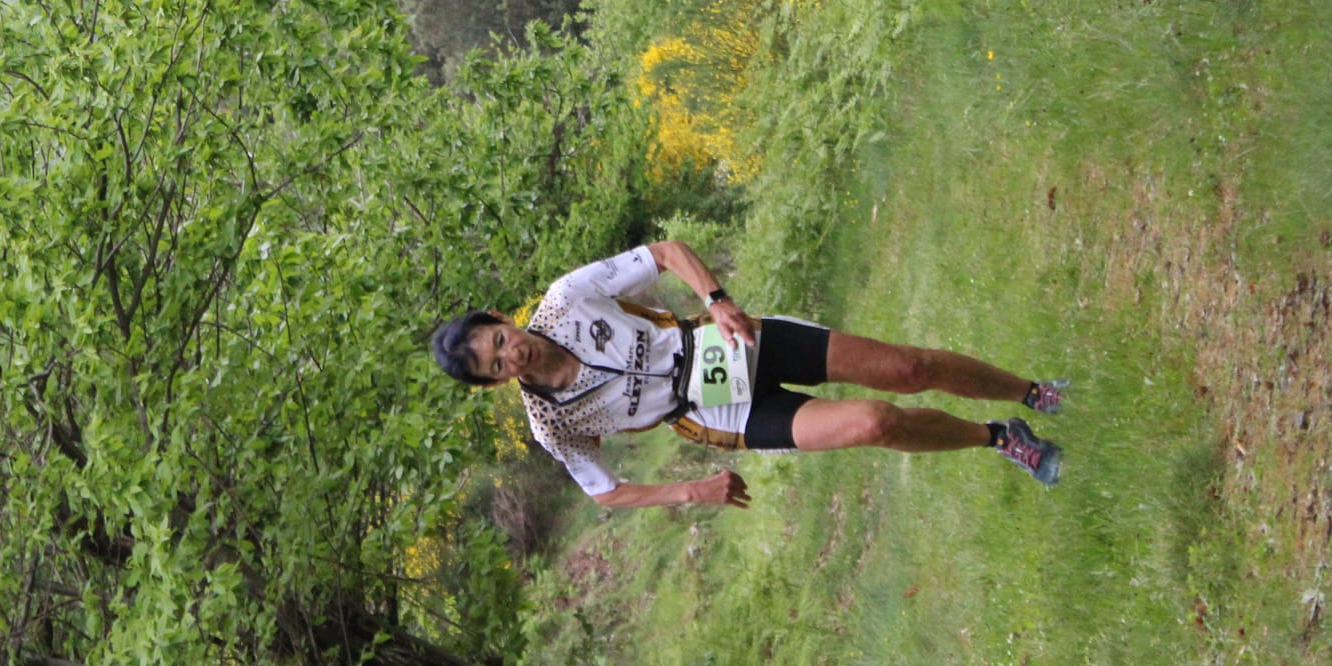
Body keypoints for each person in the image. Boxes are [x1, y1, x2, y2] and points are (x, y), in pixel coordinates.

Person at [429, 241, 1066, 510]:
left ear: (500, 319)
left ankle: (1032, 392)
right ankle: (999, 437)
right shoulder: (551, 423)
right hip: (715, 412)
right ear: (494, 382)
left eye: (499, 340)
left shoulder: (567, 298)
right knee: (876, 422)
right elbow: (605, 493)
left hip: (725, 343)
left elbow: (666, 253)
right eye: (495, 365)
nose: (511, 355)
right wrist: (690, 491)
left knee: (907, 368)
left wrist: (716, 299)